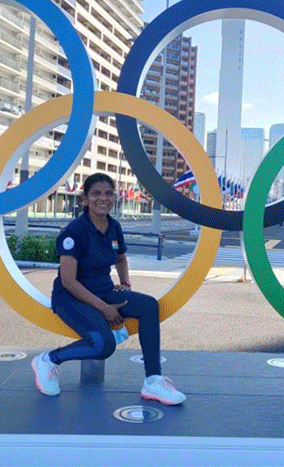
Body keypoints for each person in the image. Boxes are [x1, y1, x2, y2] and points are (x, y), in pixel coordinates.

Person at [30, 172, 185, 405]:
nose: (103, 198)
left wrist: (125, 284)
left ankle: (153, 381)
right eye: (96, 194)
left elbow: (120, 258)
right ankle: (48, 360)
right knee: (103, 345)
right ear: (84, 199)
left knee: (149, 306)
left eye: (109, 193)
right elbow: (69, 281)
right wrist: (104, 309)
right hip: (71, 298)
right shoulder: (74, 232)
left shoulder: (113, 227)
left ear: (114, 198)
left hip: (104, 291)